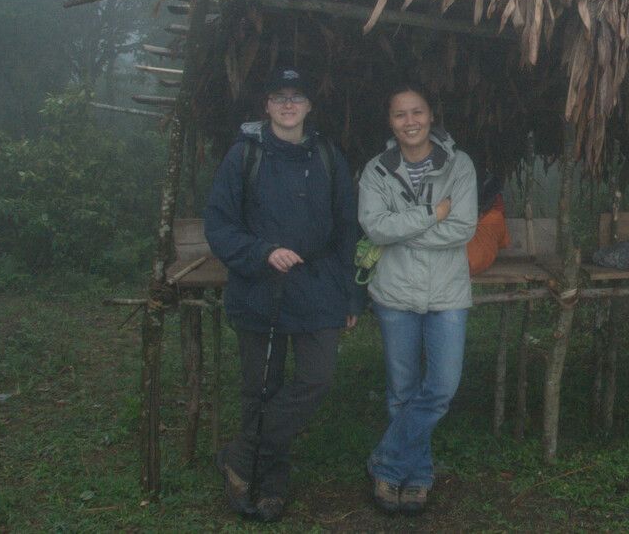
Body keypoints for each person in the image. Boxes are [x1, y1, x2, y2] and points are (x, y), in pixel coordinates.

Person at [203, 67, 360, 522]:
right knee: (261, 389)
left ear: (309, 106)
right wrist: (262, 252)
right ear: (266, 106)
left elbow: (348, 229)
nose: (288, 104)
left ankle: (241, 453)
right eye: (279, 96)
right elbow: (219, 224)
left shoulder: (329, 155)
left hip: (319, 286)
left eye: (297, 96)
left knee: (316, 378)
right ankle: (270, 479)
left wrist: (352, 296)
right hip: (259, 287)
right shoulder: (243, 156)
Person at [358, 82, 477, 515]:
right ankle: (416, 476)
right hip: (395, 293)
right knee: (402, 390)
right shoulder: (376, 170)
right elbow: (375, 228)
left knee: (441, 388)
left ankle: (386, 463)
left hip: (447, 293)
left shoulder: (459, 165)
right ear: (390, 122)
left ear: (431, 115)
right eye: (400, 114)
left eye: (417, 112)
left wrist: (403, 231)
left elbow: (463, 228)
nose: (410, 122)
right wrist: (431, 214)